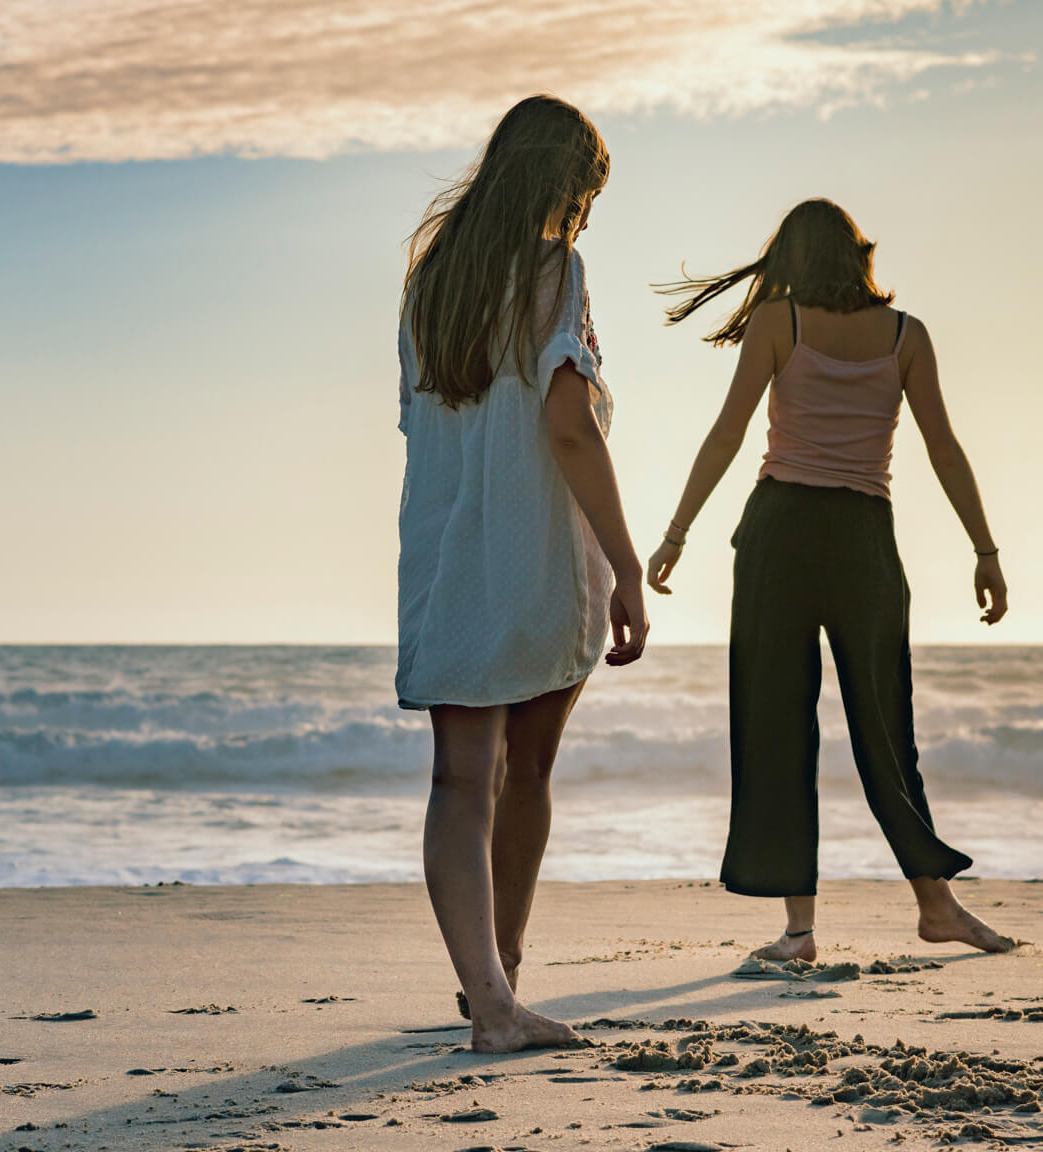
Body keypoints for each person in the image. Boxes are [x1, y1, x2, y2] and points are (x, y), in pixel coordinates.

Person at [647, 198, 1013, 960]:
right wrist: (985, 549)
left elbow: (728, 432)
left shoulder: (780, 322)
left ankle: (802, 930)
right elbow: (943, 447)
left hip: (781, 533)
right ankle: (932, 906)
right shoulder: (905, 334)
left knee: (777, 727)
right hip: (862, 543)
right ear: (856, 254)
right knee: (887, 728)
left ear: (792, 257)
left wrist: (677, 532)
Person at [396, 94, 649, 1052]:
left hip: (448, 553)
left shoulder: (431, 285)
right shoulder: (556, 271)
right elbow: (569, 427)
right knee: (527, 769)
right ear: (564, 183)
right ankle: (498, 992)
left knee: (461, 780)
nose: (586, 213)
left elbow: (422, 428)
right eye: (587, 190)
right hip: (538, 548)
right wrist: (626, 565)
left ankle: (489, 994)